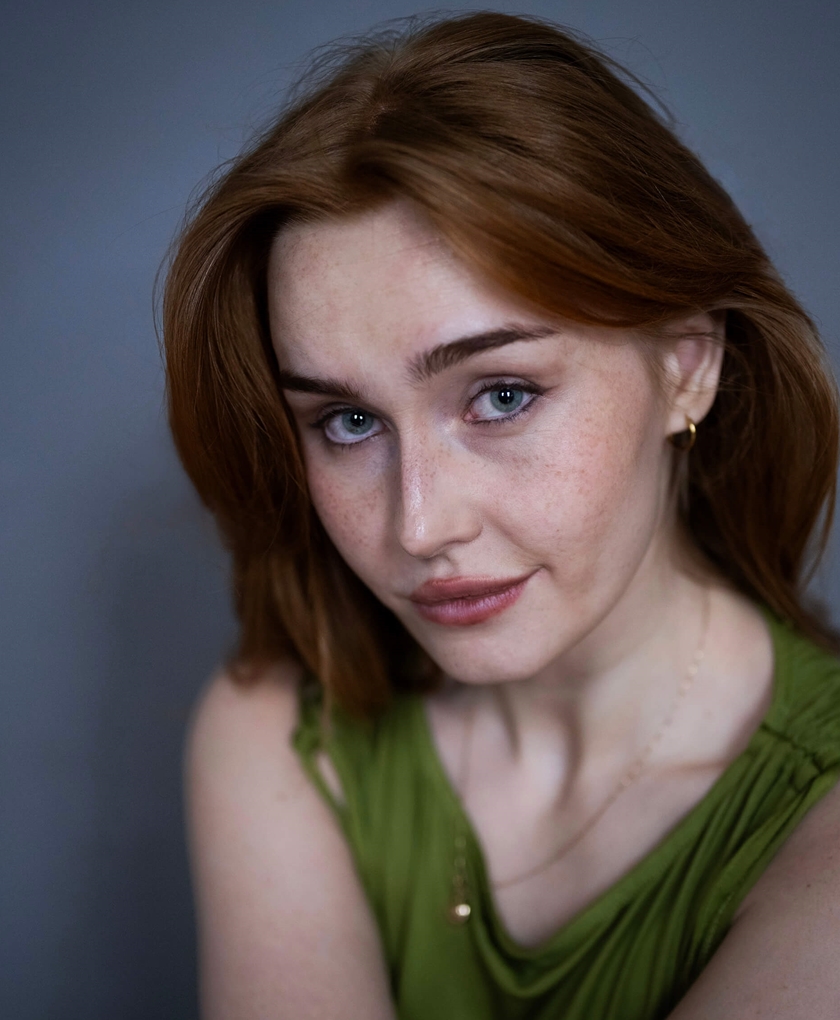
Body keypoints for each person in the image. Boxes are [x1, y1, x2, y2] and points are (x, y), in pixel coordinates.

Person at [163, 11, 840, 1019]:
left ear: (686, 365)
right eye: (348, 421)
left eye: (503, 395)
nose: (419, 527)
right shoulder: (285, 736)